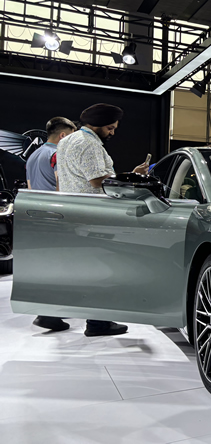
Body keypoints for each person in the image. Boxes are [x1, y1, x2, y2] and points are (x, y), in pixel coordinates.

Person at [57, 103, 149, 337]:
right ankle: (98, 323)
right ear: (97, 124)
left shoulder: (67, 141)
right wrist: (132, 176)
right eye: (110, 128)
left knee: (75, 267)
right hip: (93, 215)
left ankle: (50, 313)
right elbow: (97, 180)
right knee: (100, 269)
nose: (113, 132)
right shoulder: (89, 143)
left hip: (72, 211)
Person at [27, 117, 76, 332]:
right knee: (63, 265)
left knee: (49, 266)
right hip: (56, 216)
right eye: (72, 136)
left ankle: (50, 310)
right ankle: (48, 314)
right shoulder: (57, 154)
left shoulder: (34, 155)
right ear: (63, 136)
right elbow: (60, 186)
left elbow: (30, 186)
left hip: (37, 216)